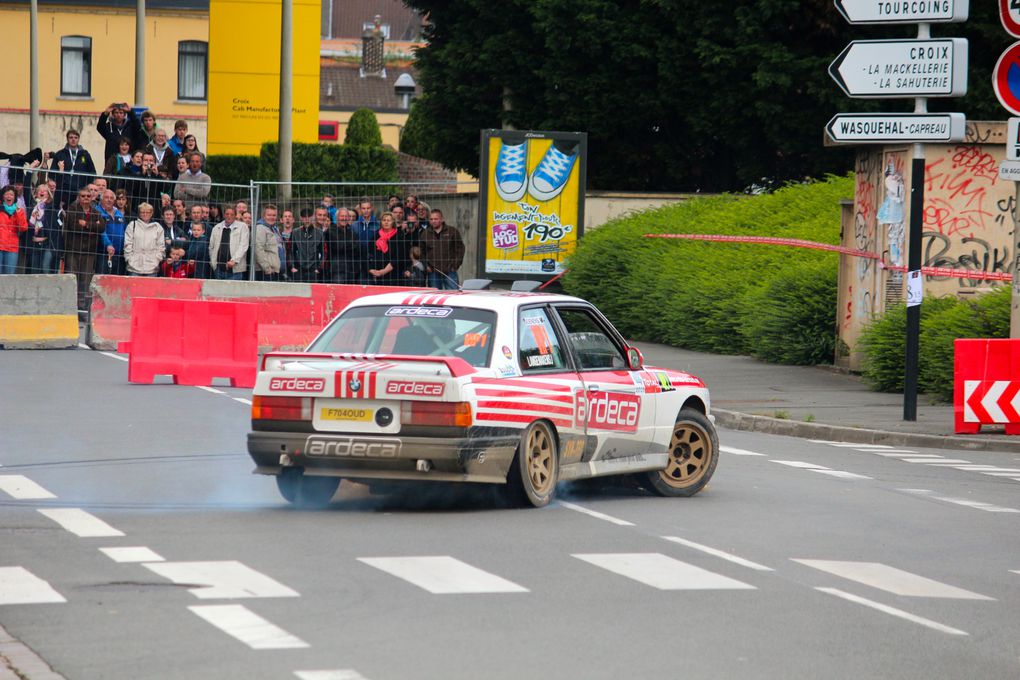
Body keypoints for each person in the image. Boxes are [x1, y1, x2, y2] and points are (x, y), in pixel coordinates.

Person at [62, 186, 106, 306]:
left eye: (88, 196)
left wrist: (85, 224)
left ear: (91, 197)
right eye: (83, 196)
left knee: (85, 281)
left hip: (89, 251)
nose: (86, 198)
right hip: (73, 250)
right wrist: (93, 227)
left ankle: (81, 307)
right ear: (78, 197)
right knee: (72, 279)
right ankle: (70, 305)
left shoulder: (95, 212)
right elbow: (73, 226)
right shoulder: (72, 209)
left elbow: (102, 227)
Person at [50, 129, 96, 210]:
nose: (73, 139)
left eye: (76, 137)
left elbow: (92, 172)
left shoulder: (85, 154)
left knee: (78, 212)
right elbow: (52, 173)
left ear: (78, 139)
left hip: (80, 191)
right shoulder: (60, 154)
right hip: (64, 191)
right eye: (71, 137)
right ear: (67, 139)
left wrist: (86, 186)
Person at [421, 209, 465, 290]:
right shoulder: (425, 234)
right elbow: (422, 252)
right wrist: (426, 266)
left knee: (453, 294)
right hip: (433, 271)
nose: (433, 221)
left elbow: (460, 248)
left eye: (436, 219)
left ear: (442, 219)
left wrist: (455, 264)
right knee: (434, 295)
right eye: (431, 219)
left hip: (450, 270)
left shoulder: (452, 231)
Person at [123, 202, 164, 276]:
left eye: (147, 212)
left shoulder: (157, 227)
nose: (145, 214)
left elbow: (161, 246)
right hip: (134, 266)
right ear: (139, 213)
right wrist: (129, 259)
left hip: (152, 267)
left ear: (151, 213)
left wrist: (157, 259)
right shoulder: (132, 225)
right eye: (142, 212)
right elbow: (127, 244)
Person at [27, 184, 60, 274]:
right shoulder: (31, 208)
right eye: (39, 190)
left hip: (48, 243)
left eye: (44, 190)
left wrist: (44, 238)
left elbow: (54, 229)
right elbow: (27, 227)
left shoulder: (52, 209)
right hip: (34, 243)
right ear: (36, 194)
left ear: (48, 194)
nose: (41, 192)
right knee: (34, 270)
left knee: (45, 268)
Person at [209, 206, 249, 280]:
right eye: (227, 214)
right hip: (218, 269)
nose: (229, 216)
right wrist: (213, 263)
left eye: (232, 214)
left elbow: (243, 246)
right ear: (224, 215)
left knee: (233, 291)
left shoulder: (242, 227)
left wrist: (234, 260)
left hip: (235, 270)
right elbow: (211, 247)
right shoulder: (216, 227)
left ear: (235, 215)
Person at [367, 211, 403, 285]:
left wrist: (383, 271)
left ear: (393, 222)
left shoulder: (399, 236)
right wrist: (371, 269)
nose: (386, 222)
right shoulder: (376, 235)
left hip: (393, 274)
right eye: (384, 220)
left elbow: (398, 257)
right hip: (376, 273)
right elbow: (369, 254)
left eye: (389, 220)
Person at [96, 189, 127, 276]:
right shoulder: (97, 212)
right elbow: (101, 231)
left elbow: (125, 231)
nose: (109, 200)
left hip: (119, 254)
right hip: (103, 253)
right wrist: (108, 244)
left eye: (111, 198)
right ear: (101, 199)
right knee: (103, 280)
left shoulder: (119, 213)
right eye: (106, 197)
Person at [324, 206, 358, 284]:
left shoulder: (352, 232)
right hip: (337, 270)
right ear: (337, 217)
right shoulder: (330, 231)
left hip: (351, 270)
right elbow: (338, 247)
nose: (344, 218)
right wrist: (350, 244)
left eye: (346, 216)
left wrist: (344, 244)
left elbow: (356, 248)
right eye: (342, 216)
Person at [289, 207, 323, 282]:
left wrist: (318, 268)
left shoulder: (320, 233)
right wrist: (293, 266)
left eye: (309, 217)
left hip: (314, 270)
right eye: (304, 217)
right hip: (298, 270)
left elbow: (324, 252)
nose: (307, 220)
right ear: (301, 218)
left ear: (313, 217)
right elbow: (291, 251)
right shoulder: (295, 232)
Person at [0, 185, 28, 274]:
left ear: (15, 197)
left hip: (12, 248)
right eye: (6, 194)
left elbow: (23, 228)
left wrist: (18, 214)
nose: (9, 196)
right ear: (2, 196)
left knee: (9, 276)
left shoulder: (19, 211)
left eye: (11, 195)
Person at [254, 204, 286, 282]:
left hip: (276, 271)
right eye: (269, 215)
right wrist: (267, 269)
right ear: (264, 216)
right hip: (266, 272)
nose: (272, 217)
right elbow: (258, 250)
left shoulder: (274, 229)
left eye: (274, 215)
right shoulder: (260, 228)